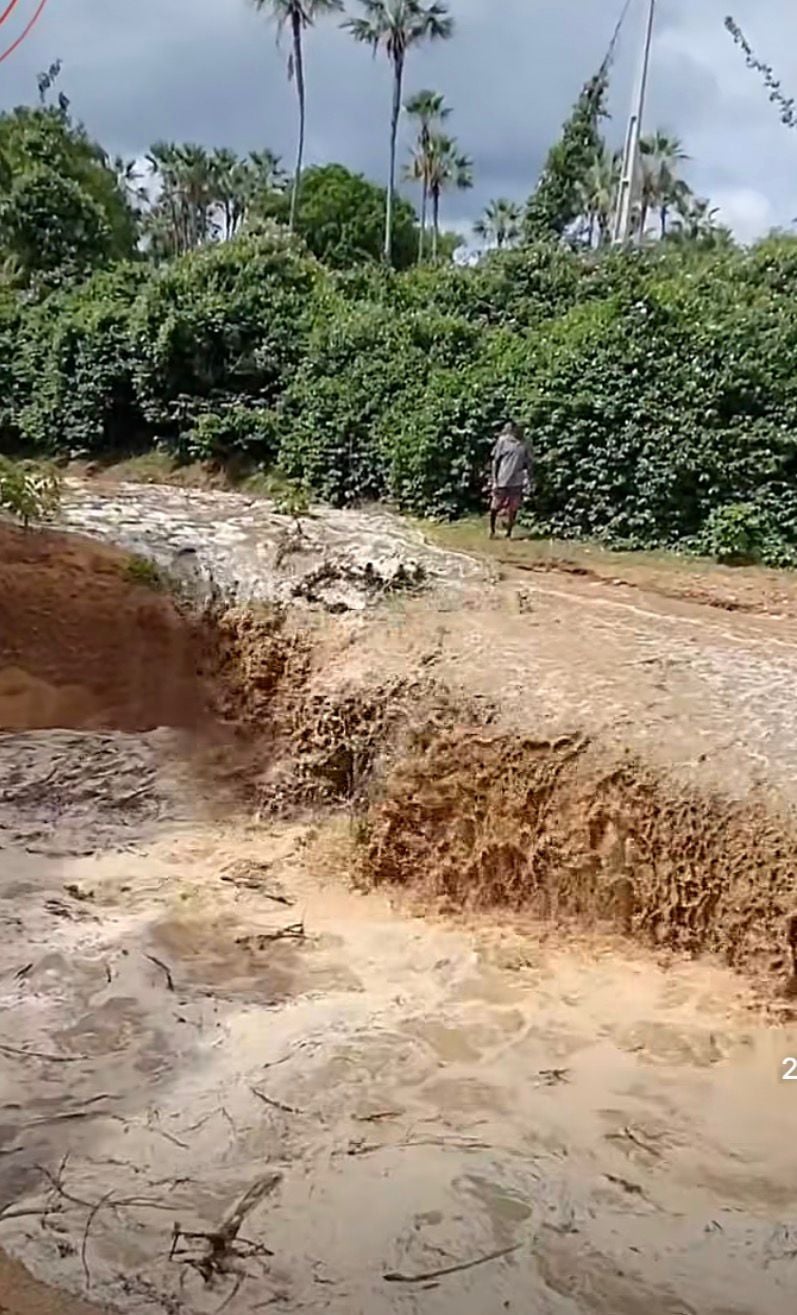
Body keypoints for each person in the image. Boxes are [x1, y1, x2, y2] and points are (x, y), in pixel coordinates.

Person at [489, 421, 532, 539]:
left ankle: (509, 532)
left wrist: (529, 479)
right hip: (502, 479)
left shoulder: (525, 443)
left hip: (517, 481)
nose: (521, 432)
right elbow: (495, 461)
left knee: (514, 507)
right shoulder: (503, 441)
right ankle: (492, 530)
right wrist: (494, 480)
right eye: (519, 429)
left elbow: (529, 463)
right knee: (495, 506)